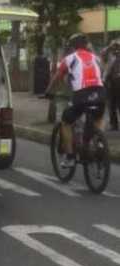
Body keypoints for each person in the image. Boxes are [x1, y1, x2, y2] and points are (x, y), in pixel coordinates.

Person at [45, 33, 106, 167]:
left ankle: (70, 157)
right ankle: (100, 142)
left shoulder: (69, 59)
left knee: (66, 122)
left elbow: (57, 77)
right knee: (99, 116)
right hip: (100, 93)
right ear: (86, 46)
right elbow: (101, 74)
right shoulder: (96, 58)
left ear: (72, 47)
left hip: (82, 94)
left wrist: (48, 91)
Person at [101, 39, 120, 130]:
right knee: (111, 104)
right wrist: (110, 47)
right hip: (110, 82)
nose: (116, 48)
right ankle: (114, 125)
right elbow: (103, 54)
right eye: (115, 46)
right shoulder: (109, 56)